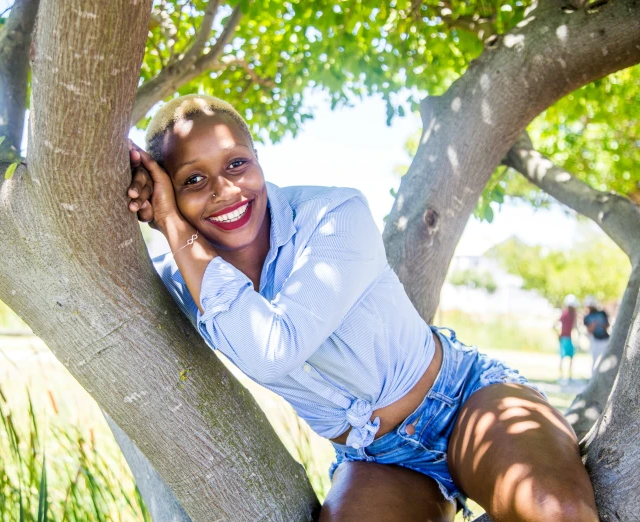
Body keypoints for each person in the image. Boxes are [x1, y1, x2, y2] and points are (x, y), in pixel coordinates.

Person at [125, 94, 598, 521]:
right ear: (169, 189)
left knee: (559, 513)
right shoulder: (178, 279)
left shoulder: (333, 216)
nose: (225, 191)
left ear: (258, 161)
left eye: (236, 164)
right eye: (193, 180)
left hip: (463, 400)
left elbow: (274, 348)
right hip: (376, 457)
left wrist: (170, 220)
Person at [555, 294, 579, 384]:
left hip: (569, 338)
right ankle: (561, 376)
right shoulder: (565, 315)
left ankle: (569, 376)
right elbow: (556, 325)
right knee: (563, 358)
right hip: (565, 338)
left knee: (569, 358)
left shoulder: (571, 315)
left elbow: (574, 327)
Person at [583, 295, 610, 369]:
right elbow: (589, 330)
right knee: (595, 359)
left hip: (605, 339)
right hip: (595, 340)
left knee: (605, 359)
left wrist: (602, 325)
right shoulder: (587, 316)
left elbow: (607, 325)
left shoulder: (602, 313)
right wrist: (593, 325)